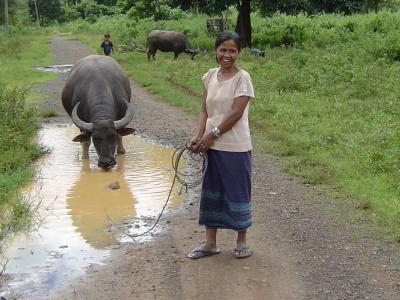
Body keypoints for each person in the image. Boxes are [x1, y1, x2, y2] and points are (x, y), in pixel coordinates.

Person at [187, 31, 255, 259]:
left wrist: (211, 134)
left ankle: (242, 242)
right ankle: (210, 243)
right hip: (211, 147)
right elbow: (205, 110)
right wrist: (198, 136)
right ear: (215, 51)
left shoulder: (242, 78)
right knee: (211, 192)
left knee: (237, 192)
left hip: (235, 147)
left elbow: (237, 112)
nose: (227, 55)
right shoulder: (209, 76)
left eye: (232, 51)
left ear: (238, 53)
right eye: (223, 50)